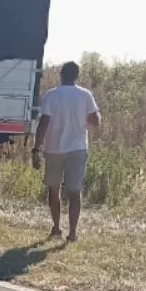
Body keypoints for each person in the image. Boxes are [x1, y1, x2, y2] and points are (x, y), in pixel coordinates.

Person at [31, 61, 101, 241]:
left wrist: (36, 148)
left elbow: (44, 123)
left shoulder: (52, 96)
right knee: (74, 191)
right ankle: (73, 232)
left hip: (54, 148)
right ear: (77, 76)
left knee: (54, 190)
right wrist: (80, 120)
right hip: (78, 148)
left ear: (61, 75)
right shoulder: (85, 95)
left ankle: (56, 227)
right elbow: (96, 121)